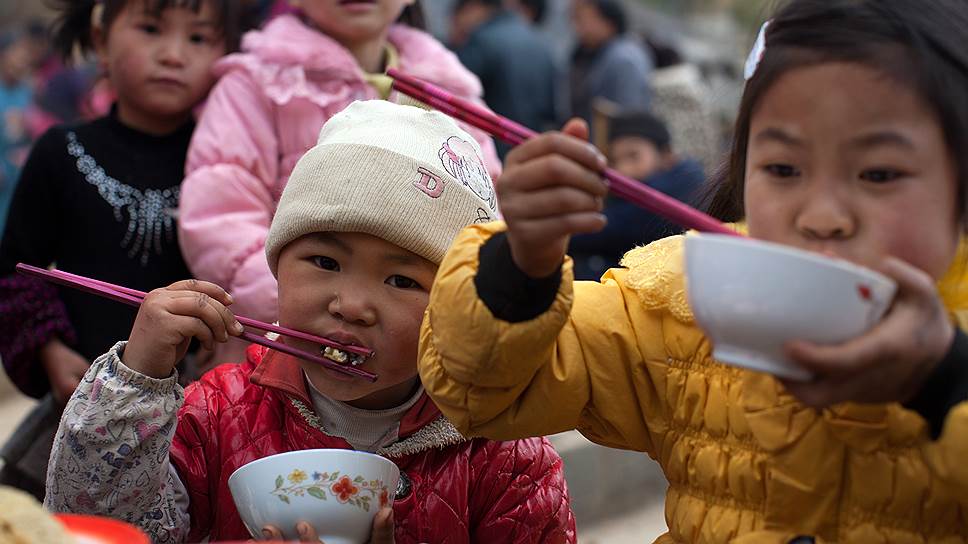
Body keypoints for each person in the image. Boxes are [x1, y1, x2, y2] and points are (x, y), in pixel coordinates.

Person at [418, 0, 968, 541]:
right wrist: (520, 266)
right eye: (782, 168)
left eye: (878, 173)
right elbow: (478, 389)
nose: (821, 216)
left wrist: (945, 376)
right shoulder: (689, 297)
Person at [45, 100, 576, 544]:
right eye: (325, 262)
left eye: (401, 281)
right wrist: (136, 380)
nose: (351, 304)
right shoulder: (221, 411)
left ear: (459, 308)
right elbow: (96, 529)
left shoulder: (505, 451)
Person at [0, 0, 252, 500]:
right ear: (101, 41)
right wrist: (49, 351)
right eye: (151, 29)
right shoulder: (61, 151)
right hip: (79, 406)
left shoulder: (231, 164)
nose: (174, 54)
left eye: (199, 38)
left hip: (200, 411)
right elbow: (15, 273)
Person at [178, 0, 501, 366]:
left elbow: (483, 224)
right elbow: (221, 218)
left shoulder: (450, 93)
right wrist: (304, 299)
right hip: (276, 351)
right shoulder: (257, 84)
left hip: (419, 363)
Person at [569, 111, 704, 280]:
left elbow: (613, 227)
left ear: (666, 155)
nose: (623, 169)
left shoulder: (678, 191)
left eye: (633, 156)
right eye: (615, 160)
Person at [450, 0, 558, 157]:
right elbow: (552, 111)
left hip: (491, 154)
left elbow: (456, 92)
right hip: (531, 152)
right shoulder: (543, 46)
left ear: (476, 7)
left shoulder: (482, 40)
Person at [569, 0, 652, 131]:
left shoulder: (623, 60)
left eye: (581, 19)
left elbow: (628, 119)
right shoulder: (601, 52)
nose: (576, 27)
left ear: (607, 20)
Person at [0, 31, 34, 234]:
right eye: (17, 55)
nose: (22, 61)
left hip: (17, 175)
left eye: (25, 57)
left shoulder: (29, 91)